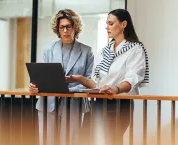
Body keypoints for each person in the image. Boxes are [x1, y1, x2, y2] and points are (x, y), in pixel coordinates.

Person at [66, 9, 149, 145]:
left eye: (111, 23)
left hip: (119, 104)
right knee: (86, 140)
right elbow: (97, 84)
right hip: (97, 103)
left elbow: (132, 79)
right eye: (106, 24)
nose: (107, 27)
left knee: (111, 141)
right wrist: (80, 78)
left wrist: (114, 89)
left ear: (123, 24)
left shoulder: (135, 49)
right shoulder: (105, 51)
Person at [29, 9, 94, 145]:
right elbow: (41, 75)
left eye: (68, 26)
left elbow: (89, 81)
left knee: (70, 142)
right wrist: (34, 86)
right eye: (61, 27)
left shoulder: (87, 51)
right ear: (57, 29)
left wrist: (68, 89)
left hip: (73, 104)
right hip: (48, 104)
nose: (65, 31)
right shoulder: (48, 49)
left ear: (75, 27)